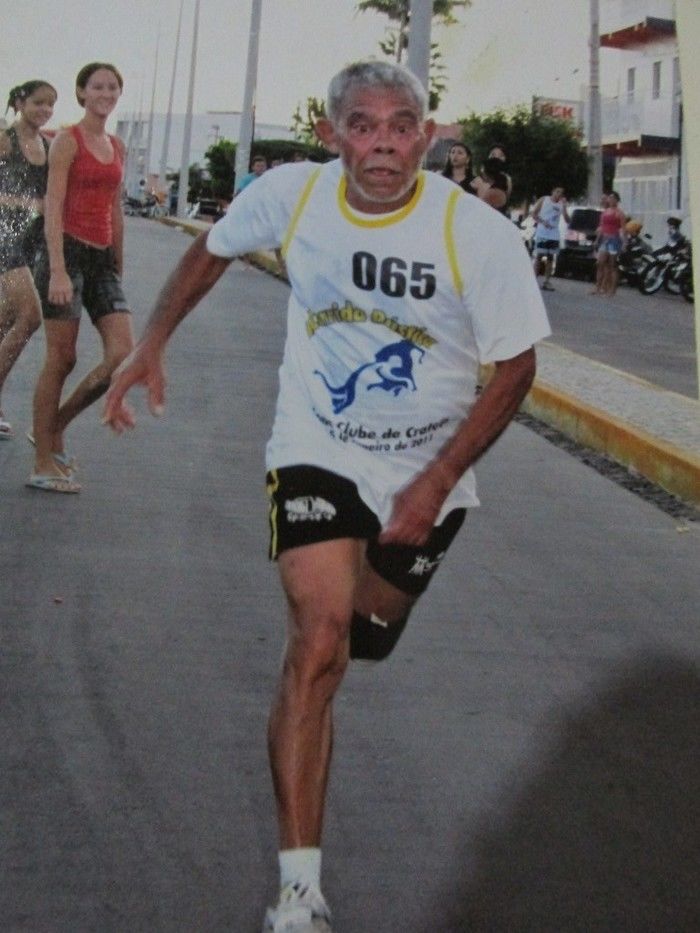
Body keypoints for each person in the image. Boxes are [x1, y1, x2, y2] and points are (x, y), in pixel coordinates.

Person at [103, 60, 550, 932]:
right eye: (362, 124)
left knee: (366, 634)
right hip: (317, 446)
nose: (381, 143)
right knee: (318, 638)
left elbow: (517, 367)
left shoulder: (475, 234)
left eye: (399, 125)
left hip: (428, 467)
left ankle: (373, 603)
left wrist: (436, 479)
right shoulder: (297, 196)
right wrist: (152, 339)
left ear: (426, 134)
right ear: (332, 132)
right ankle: (299, 890)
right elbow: (213, 247)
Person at [28, 62, 133, 493]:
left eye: (112, 87)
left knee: (121, 354)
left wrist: (117, 262)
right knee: (62, 358)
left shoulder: (117, 145)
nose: (106, 93)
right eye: (98, 86)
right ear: (82, 93)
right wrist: (55, 269)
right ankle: (41, 462)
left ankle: (53, 428)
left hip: (102, 259)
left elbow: (114, 208)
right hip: (65, 254)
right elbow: (52, 206)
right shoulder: (67, 142)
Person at [0, 79, 57, 438]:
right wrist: (19, 204)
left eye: (50, 105)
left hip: (32, 241)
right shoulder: (5, 139)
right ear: (21, 103)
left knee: (5, 322)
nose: (45, 110)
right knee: (30, 315)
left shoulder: (49, 146)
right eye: (38, 103)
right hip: (4, 235)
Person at [530, 185, 570, 290]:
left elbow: (567, 220)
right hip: (542, 232)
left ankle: (547, 281)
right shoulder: (544, 200)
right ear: (553, 191)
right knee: (539, 255)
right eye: (557, 191)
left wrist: (565, 207)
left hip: (554, 234)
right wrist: (543, 222)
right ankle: (534, 279)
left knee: (550, 258)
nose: (558, 194)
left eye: (561, 193)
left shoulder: (561, 205)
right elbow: (534, 214)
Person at [592, 191, 626, 296]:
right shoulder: (605, 212)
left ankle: (612, 290)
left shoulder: (619, 213)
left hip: (614, 240)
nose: (610, 200)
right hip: (605, 239)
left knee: (612, 265)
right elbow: (601, 227)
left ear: (617, 200)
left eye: (613, 198)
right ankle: (598, 287)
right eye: (609, 198)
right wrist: (597, 240)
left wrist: (624, 242)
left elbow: (623, 228)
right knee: (600, 263)